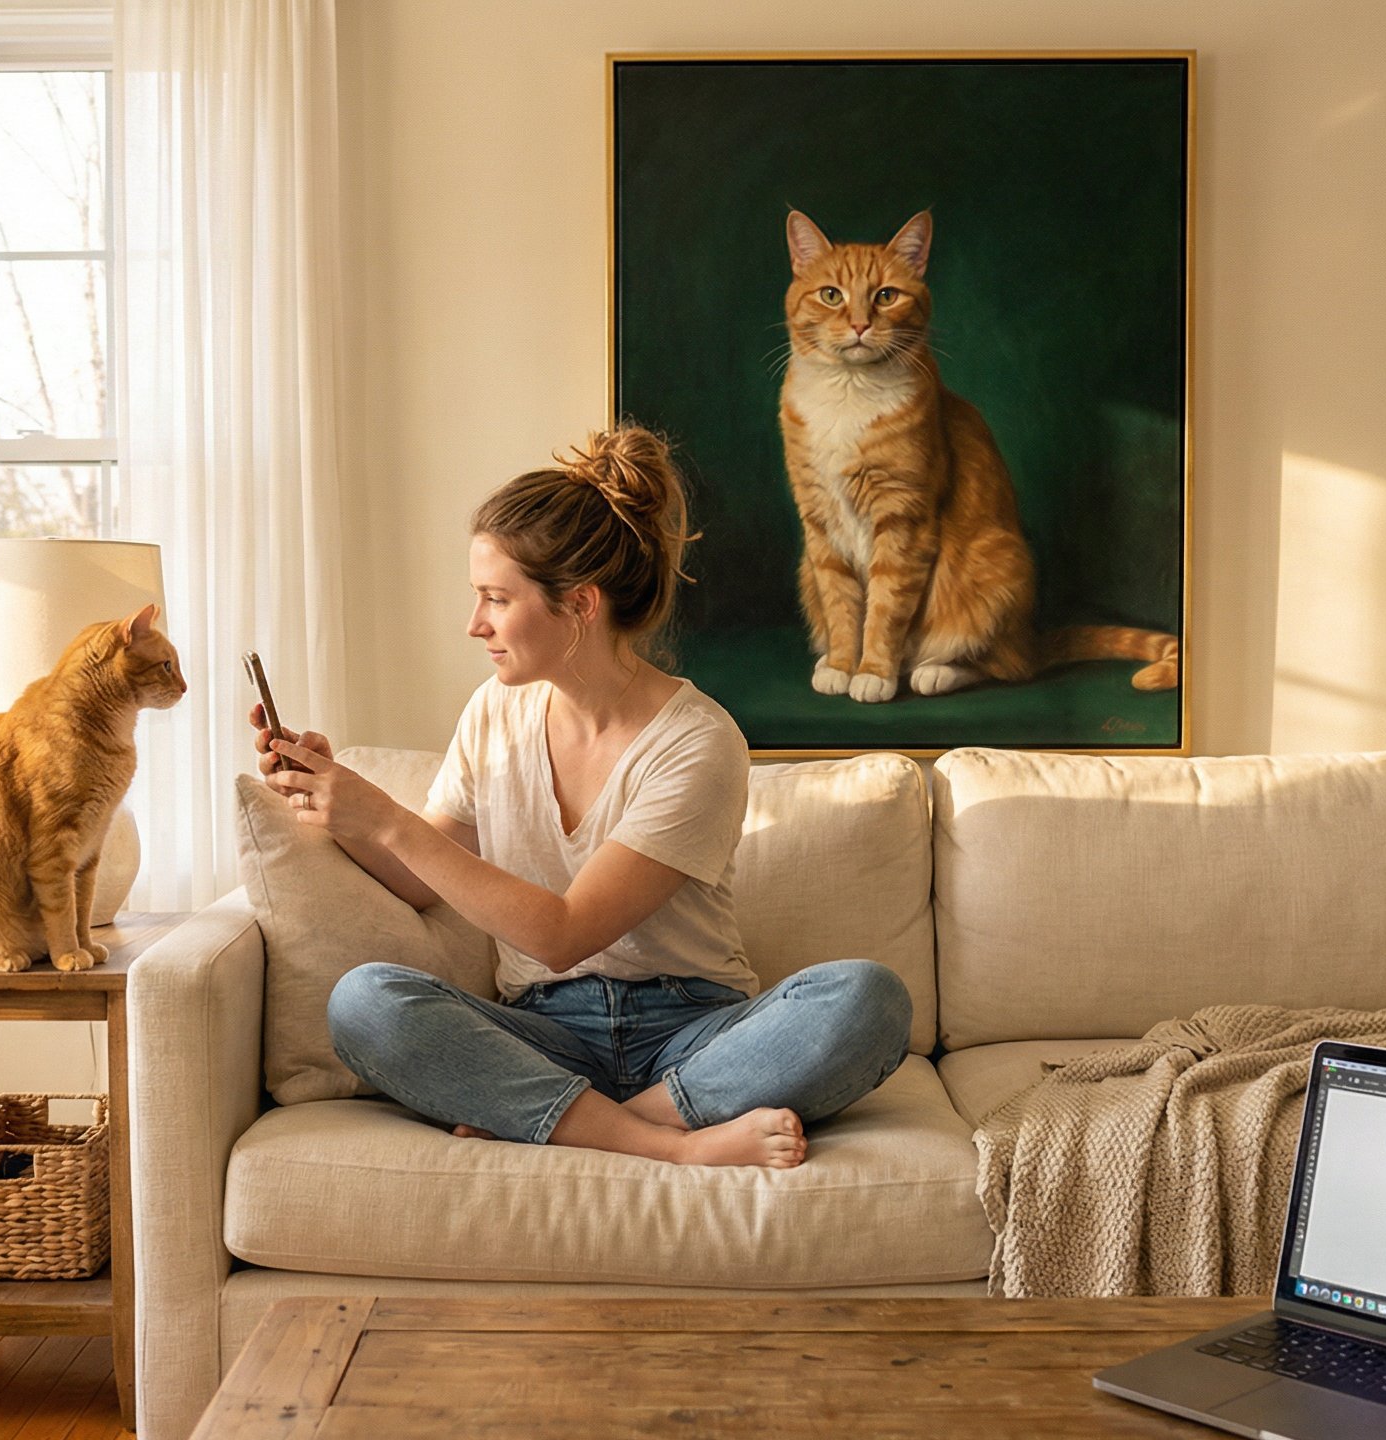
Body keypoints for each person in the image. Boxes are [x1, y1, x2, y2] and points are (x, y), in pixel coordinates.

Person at [256, 425, 912, 1169]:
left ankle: (586, 1123)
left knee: (869, 999)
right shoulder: (493, 715)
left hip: (691, 1033)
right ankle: (673, 1145)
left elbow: (565, 933)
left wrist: (385, 819)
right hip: (543, 1032)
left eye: (496, 600)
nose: (475, 625)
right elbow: (417, 876)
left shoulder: (697, 742)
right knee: (364, 1002)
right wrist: (330, 798)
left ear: (579, 605)